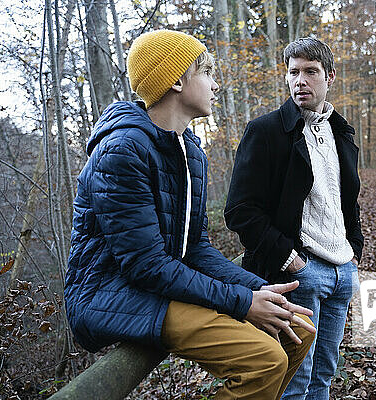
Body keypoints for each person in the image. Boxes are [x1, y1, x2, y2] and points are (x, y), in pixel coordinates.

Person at [64, 29, 316, 400]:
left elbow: (195, 248)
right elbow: (145, 265)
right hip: (113, 292)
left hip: (158, 284)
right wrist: (243, 303)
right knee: (263, 359)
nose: (216, 85)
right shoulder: (121, 151)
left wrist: (257, 289)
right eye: (207, 73)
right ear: (178, 80)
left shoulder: (191, 154)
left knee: (299, 327)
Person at [225, 37, 364, 400]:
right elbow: (240, 211)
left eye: (310, 72)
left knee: (325, 375)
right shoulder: (267, 131)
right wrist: (291, 260)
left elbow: (348, 201)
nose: (300, 81)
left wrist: (354, 254)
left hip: (342, 272)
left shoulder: (341, 133)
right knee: (295, 382)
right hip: (300, 275)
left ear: (329, 76)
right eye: (293, 72)